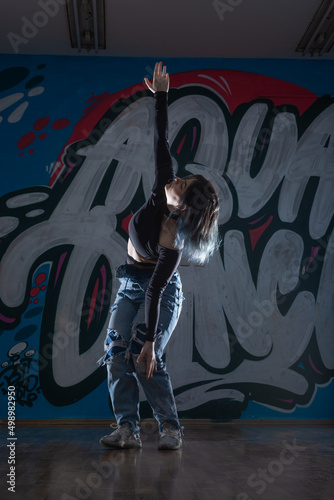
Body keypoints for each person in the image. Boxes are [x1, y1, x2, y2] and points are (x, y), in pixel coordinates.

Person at [99, 62, 220, 450]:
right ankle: (127, 430)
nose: (175, 179)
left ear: (182, 207)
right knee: (115, 349)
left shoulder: (172, 245)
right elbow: (160, 140)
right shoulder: (161, 189)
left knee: (142, 354)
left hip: (161, 293)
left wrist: (150, 340)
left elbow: (155, 292)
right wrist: (162, 96)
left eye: (181, 184)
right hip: (131, 281)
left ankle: (170, 427)